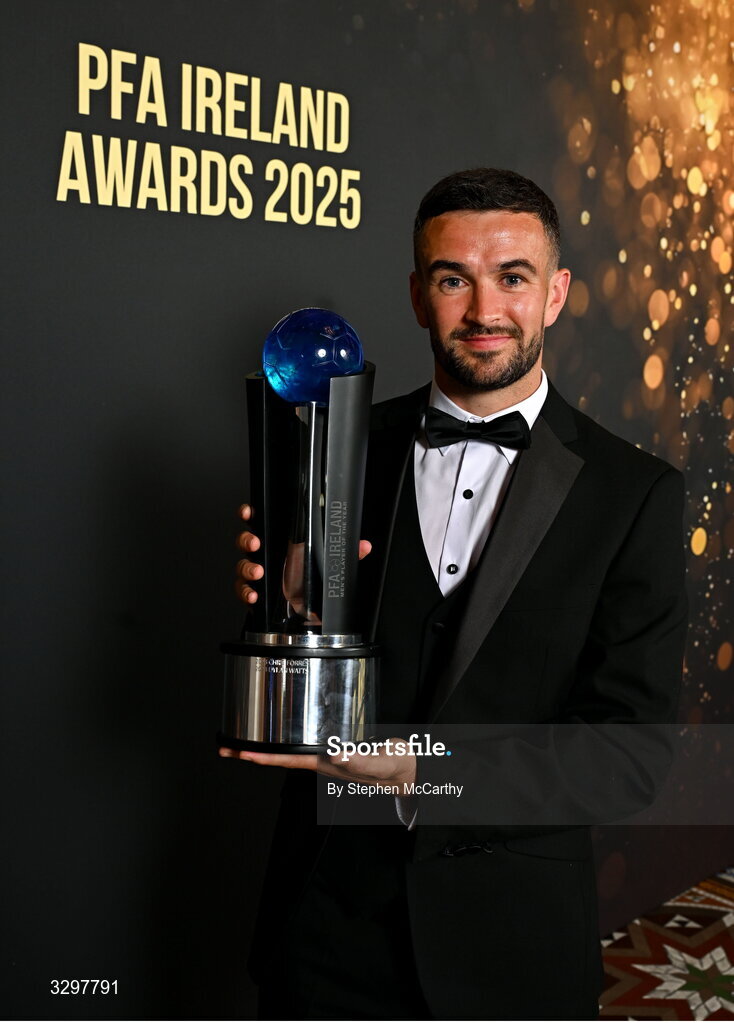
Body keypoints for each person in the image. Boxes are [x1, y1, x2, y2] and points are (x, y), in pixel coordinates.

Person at [220, 168, 688, 1020]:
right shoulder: (333, 444)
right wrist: (282, 606)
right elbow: (299, 662)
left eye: (512, 276)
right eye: (452, 278)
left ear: (555, 294)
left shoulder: (637, 494)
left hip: (510, 953)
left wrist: (419, 770)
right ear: (415, 294)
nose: (483, 309)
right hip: (323, 939)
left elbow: (631, 756)